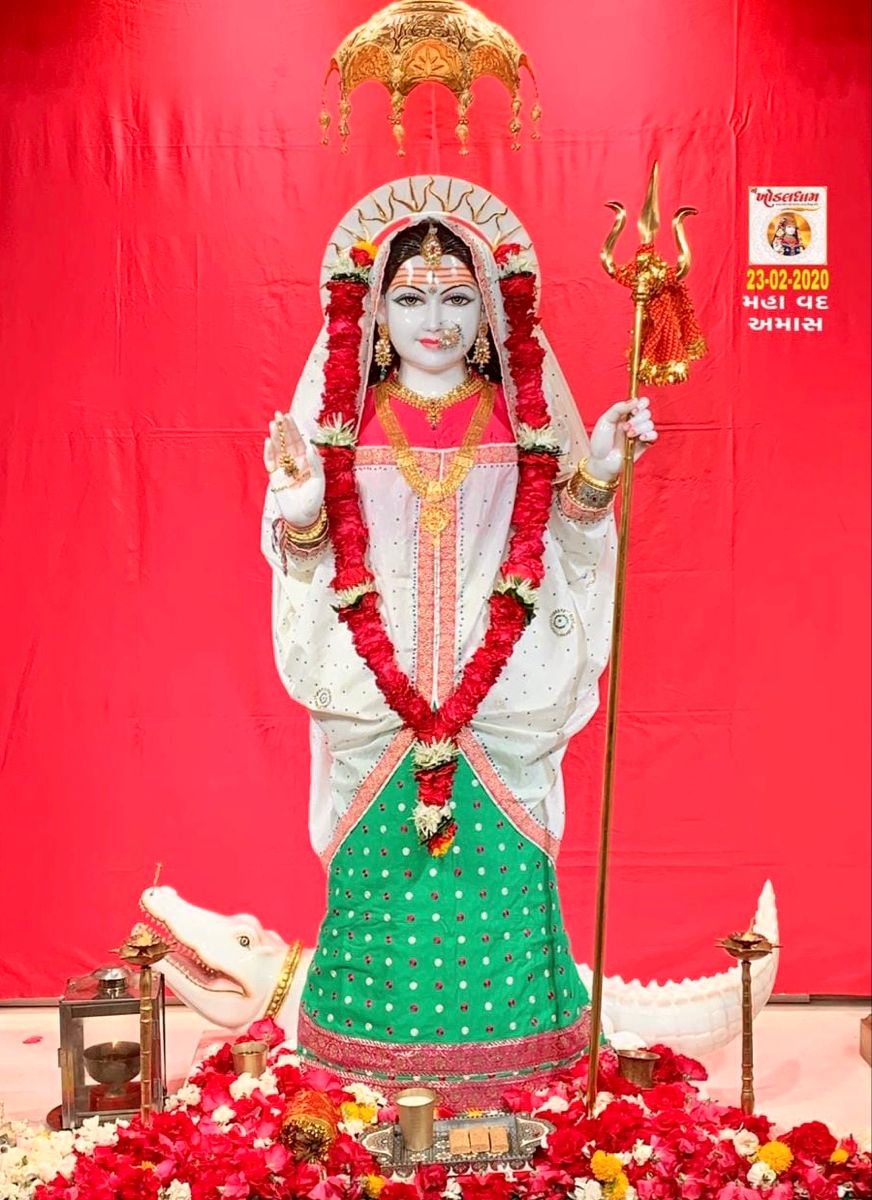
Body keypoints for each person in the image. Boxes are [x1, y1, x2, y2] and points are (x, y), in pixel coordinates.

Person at [260, 181, 656, 1106]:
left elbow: (566, 536)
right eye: (408, 297)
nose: (431, 321)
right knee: (377, 903)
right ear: (373, 309)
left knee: (508, 895)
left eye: (454, 297)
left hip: (501, 707)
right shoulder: (338, 426)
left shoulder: (521, 423)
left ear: (489, 308)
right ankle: (361, 1082)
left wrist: (594, 469)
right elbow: (307, 563)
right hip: (374, 708)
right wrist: (305, 509)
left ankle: (523, 1086)